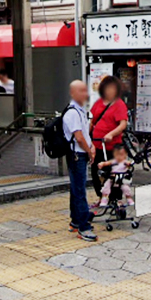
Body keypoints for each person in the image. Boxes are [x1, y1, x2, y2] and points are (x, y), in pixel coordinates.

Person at [62, 80, 96, 242]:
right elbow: (79, 137)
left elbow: (85, 134)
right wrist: (89, 151)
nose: (85, 94)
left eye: (85, 90)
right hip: (77, 155)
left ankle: (76, 220)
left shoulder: (80, 110)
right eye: (81, 91)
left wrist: (91, 147)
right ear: (73, 93)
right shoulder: (72, 113)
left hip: (81, 153)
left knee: (76, 188)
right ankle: (83, 227)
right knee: (80, 190)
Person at [88, 75, 128, 197]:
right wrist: (87, 137)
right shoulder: (98, 103)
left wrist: (111, 134)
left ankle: (116, 200)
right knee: (96, 171)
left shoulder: (119, 104)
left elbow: (123, 124)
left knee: (114, 173)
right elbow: (92, 121)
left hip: (112, 147)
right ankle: (101, 197)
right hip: (97, 145)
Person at [97, 143, 134, 208]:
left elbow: (129, 164)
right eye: (117, 155)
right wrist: (102, 164)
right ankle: (104, 198)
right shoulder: (114, 161)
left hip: (122, 179)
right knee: (106, 186)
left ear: (125, 155)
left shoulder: (125, 162)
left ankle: (129, 198)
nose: (119, 157)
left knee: (126, 188)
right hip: (112, 178)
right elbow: (107, 163)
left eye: (122, 155)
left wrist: (129, 164)